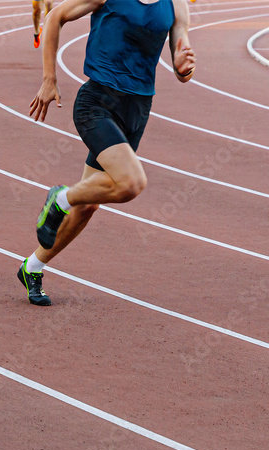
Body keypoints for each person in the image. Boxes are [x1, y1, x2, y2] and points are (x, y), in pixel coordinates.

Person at [18, 0, 195, 306]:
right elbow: (55, 17)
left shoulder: (176, 4)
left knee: (89, 206)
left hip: (138, 109)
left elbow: (182, 61)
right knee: (131, 183)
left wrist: (183, 67)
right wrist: (49, 78)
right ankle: (59, 198)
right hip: (98, 103)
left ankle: (32, 267)